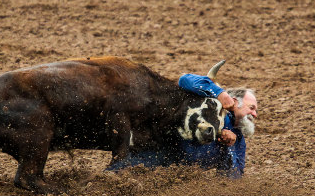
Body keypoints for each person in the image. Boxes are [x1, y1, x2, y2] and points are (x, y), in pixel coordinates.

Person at [106, 72, 258, 179]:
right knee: (110, 178)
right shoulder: (211, 105)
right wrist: (219, 93)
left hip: (170, 178)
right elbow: (185, 80)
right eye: (251, 108)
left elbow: (233, 177)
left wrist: (228, 145)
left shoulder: (238, 142)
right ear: (235, 101)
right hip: (155, 153)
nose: (255, 114)